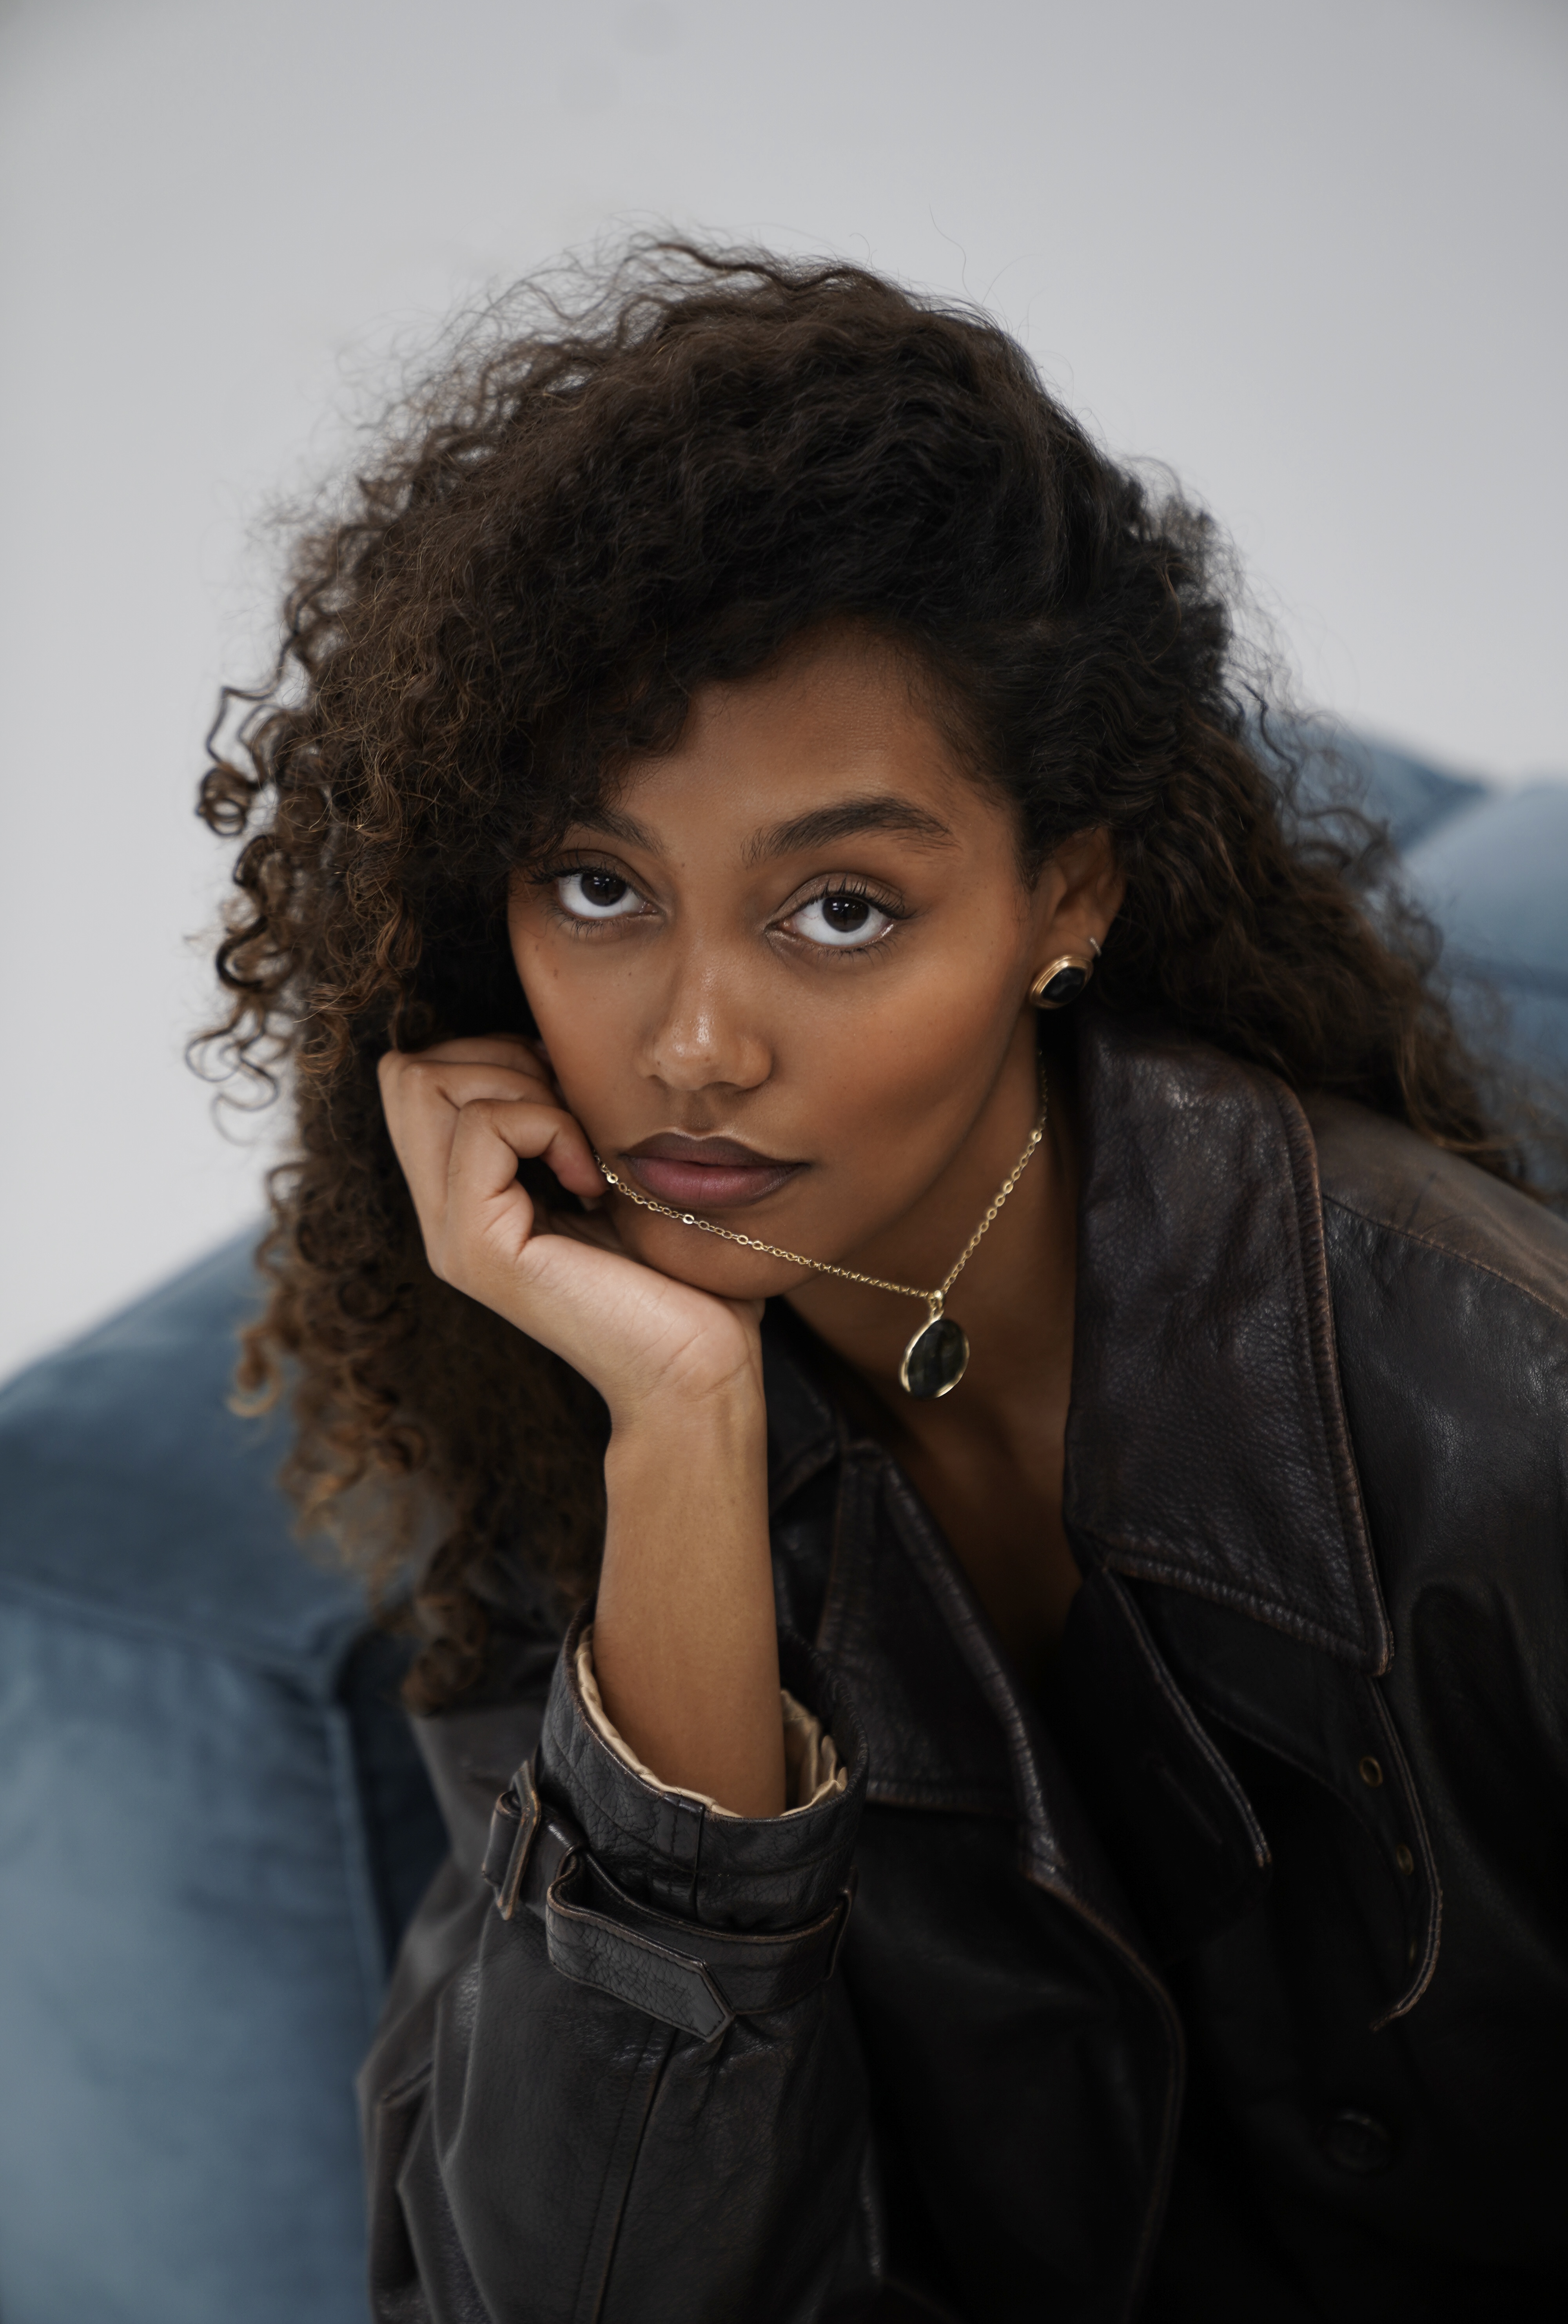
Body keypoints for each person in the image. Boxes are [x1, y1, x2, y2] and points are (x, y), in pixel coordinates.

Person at [195, 245, 1568, 2323]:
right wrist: (680, 1436)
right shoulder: (564, 1447)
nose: (693, 1045)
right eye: (601, 887)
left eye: (840, 908)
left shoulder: (1498, 1418)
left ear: (1066, 897)